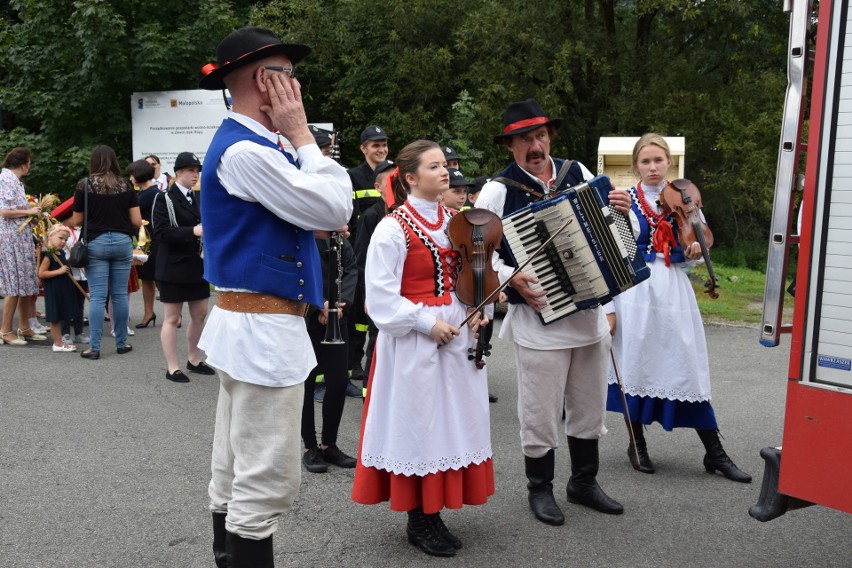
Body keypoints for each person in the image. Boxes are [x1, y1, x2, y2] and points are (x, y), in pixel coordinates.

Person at [196, 26, 352, 566]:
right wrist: (304, 136)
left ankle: (226, 555)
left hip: (251, 325)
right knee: (265, 476)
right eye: (288, 73)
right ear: (265, 81)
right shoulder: (247, 151)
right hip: (261, 333)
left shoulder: (257, 145)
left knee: (235, 462)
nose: (297, 84)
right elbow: (336, 209)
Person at [474, 99, 631, 526]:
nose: (535, 144)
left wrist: (623, 214)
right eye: (524, 139)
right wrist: (510, 276)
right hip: (538, 321)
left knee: (589, 405)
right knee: (540, 411)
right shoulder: (498, 190)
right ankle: (538, 489)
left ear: (550, 138)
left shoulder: (576, 173)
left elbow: (617, 238)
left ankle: (583, 482)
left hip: (589, 316)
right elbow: (475, 255)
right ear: (511, 146)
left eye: (540, 135)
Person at [352, 140, 493, 558]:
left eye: (445, 165)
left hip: (457, 338)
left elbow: (470, 277)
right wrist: (427, 323)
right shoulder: (391, 228)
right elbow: (378, 298)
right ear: (410, 177)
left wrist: (476, 308)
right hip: (415, 343)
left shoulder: (457, 222)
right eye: (434, 167)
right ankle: (418, 516)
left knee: (451, 422)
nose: (445, 172)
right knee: (419, 424)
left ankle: (435, 513)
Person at [604, 133, 751, 483]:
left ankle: (714, 452)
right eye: (645, 161)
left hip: (673, 292)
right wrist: (608, 308)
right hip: (634, 293)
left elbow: (689, 259)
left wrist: (695, 255)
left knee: (687, 367)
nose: (652, 167)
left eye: (658, 160)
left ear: (669, 162)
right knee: (633, 365)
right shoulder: (622, 201)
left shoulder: (686, 198)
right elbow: (611, 258)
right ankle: (636, 442)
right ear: (635, 166)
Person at [71, 145, 142, 360]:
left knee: (99, 296)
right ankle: (121, 343)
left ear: (94, 162)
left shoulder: (84, 184)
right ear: (114, 161)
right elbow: (137, 221)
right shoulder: (126, 186)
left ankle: (94, 347)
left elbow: (77, 220)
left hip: (96, 243)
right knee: (120, 295)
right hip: (122, 242)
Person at [151, 151, 213, 383]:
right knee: (172, 318)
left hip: (197, 264)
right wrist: (192, 231)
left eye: (197, 171)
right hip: (173, 266)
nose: (195, 175)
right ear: (178, 173)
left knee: (200, 314)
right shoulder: (164, 197)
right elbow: (161, 232)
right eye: (190, 170)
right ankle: (172, 367)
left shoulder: (198, 197)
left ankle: (194, 359)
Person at [301, 231, 359, 473]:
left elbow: (350, 271)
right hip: (307, 317)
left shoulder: (339, 240)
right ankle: (310, 446)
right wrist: (319, 304)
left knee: (338, 381)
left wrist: (339, 303)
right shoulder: (302, 234)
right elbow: (299, 273)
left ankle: (329, 444)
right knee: (307, 382)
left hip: (338, 318)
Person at [347, 124, 389, 384]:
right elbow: (350, 217)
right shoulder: (352, 176)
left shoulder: (394, 173)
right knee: (357, 315)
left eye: (384, 144)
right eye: (375, 145)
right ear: (363, 148)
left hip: (386, 252)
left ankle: (371, 361)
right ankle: (353, 365)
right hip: (360, 251)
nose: (381, 149)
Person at [353, 159, 397, 395]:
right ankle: (368, 395)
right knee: (377, 343)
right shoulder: (371, 216)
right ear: (378, 187)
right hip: (378, 294)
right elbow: (362, 261)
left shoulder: (403, 212)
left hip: (402, 295)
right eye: (389, 181)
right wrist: (368, 296)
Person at [0, 147, 46, 345]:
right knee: (14, 285)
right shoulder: (6, 179)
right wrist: (29, 212)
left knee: (26, 282)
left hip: (20, 238)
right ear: (24, 163)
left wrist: (32, 215)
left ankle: (25, 327)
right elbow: (4, 211)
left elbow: (16, 211)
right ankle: (5, 331)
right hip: (11, 239)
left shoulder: (14, 180)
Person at [128, 159, 160, 328]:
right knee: (147, 279)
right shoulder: (143, 193)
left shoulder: (149, 194)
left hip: (153, 241)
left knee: (160, 278)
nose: (130, 178)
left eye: (132, 174)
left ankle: (176, 314)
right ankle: (149, 313)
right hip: (145, 243)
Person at [37, 224, 78, 352]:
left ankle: (60, 342)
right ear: (50, 236)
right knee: (55, 318)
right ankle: (58, 344)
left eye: (65, 240)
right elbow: (41, 273)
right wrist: (59, 271)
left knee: (61, 316)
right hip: (54, 291)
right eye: (60, 238)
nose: (63, 242)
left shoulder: (59, 253)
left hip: (62, 289)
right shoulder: (49, 256)